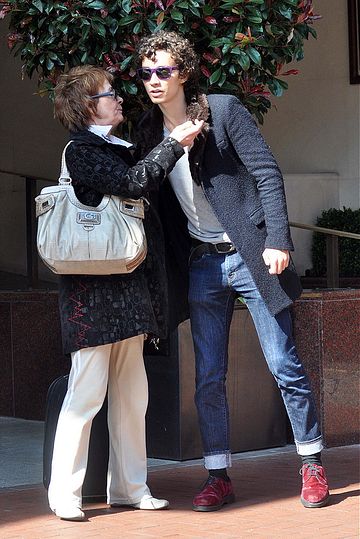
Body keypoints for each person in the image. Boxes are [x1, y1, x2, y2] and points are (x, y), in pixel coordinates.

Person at [135, 31, 330, 512]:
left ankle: (312, 464)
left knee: (283, 363)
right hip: (202, 262)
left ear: (183, 71)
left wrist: (277, 239)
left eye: (163, 71)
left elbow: (266, 171)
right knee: (208, 376)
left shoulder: (221, 111)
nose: (153, 81)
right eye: (145, 74)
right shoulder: (147, 130)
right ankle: (217, 475)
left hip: (250, 255)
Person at [48, 65, 203, 521]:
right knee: (86, 393)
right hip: (91, 296)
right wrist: (174, 145)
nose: (119, 99)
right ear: (85, 105)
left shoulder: (118, 146)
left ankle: (131, 487)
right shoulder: (81, 150)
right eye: (108, 94)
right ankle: (65, 493)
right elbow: (133, 184)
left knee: (133, 396)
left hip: (129, 288)